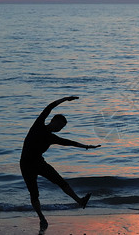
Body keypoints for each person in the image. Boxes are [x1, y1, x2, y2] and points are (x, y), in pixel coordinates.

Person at [20, 96, 101, 232]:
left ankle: (80, 201)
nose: (59, 129)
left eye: (62, 128)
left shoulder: (52, 138)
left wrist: (87, 146)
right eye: (59, 126)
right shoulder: (38, 124)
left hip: (39, 163)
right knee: (34, 194)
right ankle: (42, 218)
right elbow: (49, 107)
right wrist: (66, 99)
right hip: (26, 165)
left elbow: (69, 142)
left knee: (61, 182)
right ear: (53, 121)